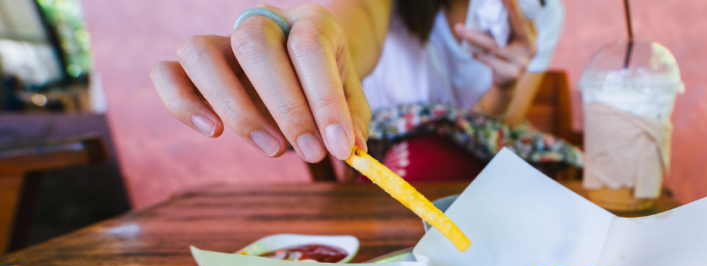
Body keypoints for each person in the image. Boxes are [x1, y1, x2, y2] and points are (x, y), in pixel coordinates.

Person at [151, 0, 564, 170]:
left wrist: (506, 85)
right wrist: (303, 41)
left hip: (476, 172)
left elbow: (493, 127)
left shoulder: (538, 10)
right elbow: (349, 23)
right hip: (394, 176)